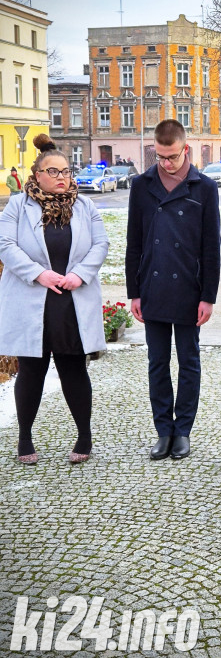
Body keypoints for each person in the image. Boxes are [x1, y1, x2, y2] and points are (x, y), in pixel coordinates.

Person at [0, 134, 109, 464]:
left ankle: (84, 436)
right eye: (54, 171)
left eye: (66, 171)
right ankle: (24, 438)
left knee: (74, 369)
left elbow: (100, 245)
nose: (62, 177)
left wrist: (80, 274)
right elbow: (6, 245)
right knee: (32, 370)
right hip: (32, 298)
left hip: (72, 300)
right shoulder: (18, 206)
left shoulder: (85, 205)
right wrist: (39, 274)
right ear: (37, 175)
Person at [126, 119, 220, 461]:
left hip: (189, 289)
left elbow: (211, 247)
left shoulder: (204, 187)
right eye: (160, 156)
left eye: (172, 157)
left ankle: (183, 431)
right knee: (157, 363)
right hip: (152, 287)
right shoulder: (142, 185)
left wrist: (208, 296)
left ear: (186, 150)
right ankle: (163, 430)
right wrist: (134, 291)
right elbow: (133, 243)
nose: (166, 163)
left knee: (189, 363)